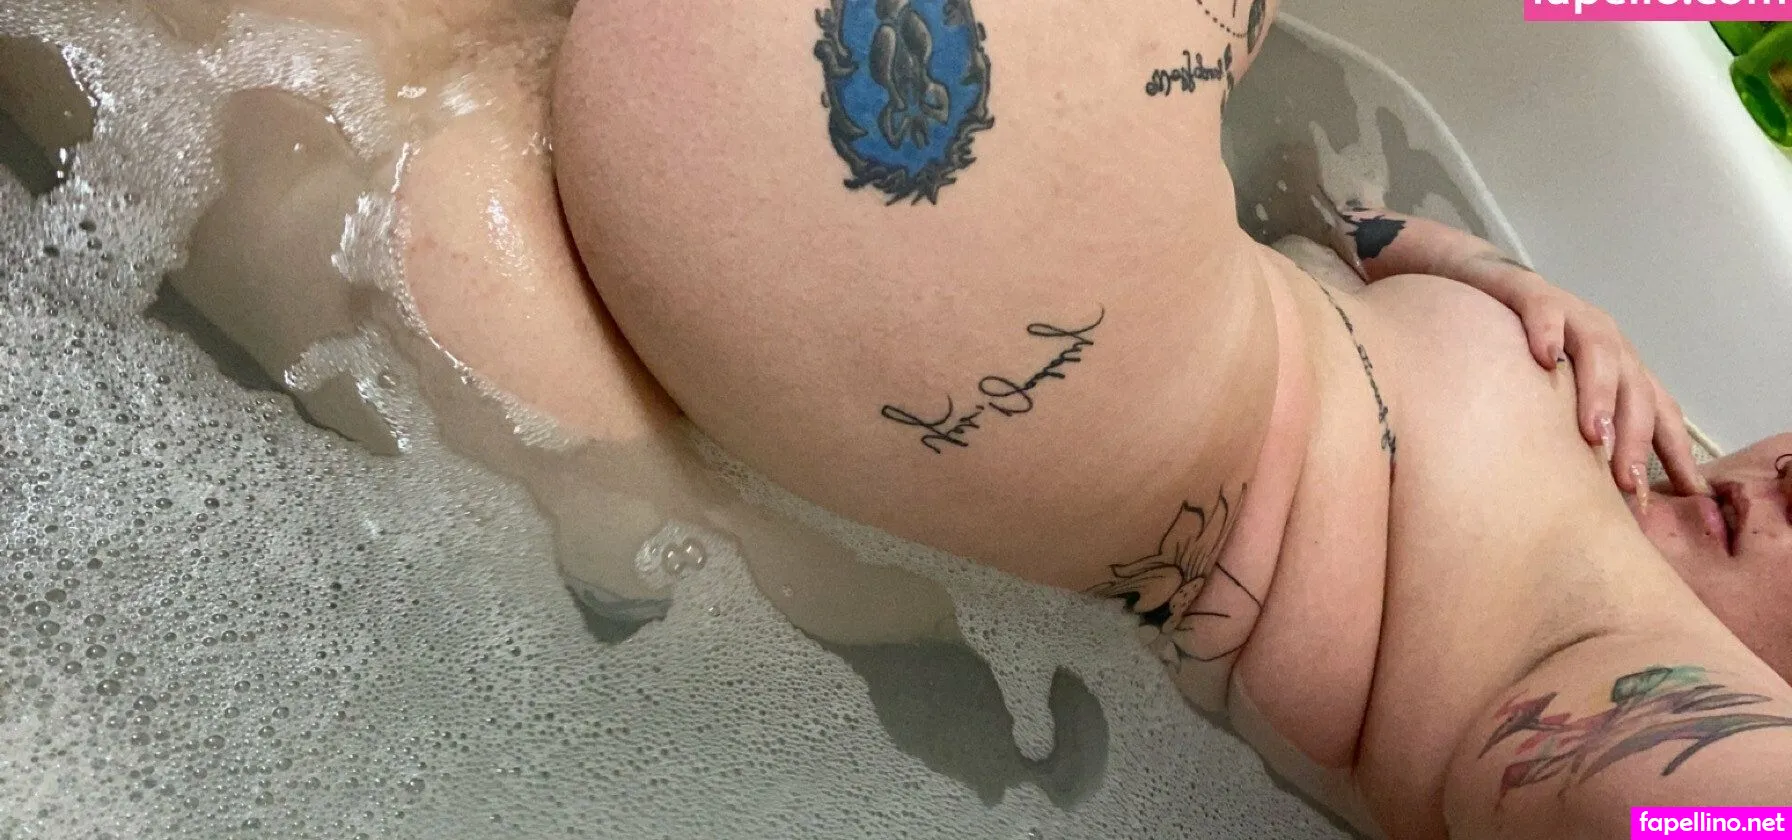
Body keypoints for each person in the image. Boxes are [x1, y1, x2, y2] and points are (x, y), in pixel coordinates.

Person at [546, 1, 1792, 837]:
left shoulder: (1608, 661)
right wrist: (1495, 278)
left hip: (954, 303)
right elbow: (1327, 211)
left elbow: (1704, 809)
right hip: (837, 242)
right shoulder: (1620, 430)